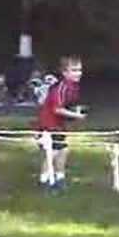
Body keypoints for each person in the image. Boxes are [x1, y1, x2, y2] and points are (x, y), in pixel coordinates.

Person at [37, 56, 86, 191]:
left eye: (79, 70)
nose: (78, 73)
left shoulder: (73, 87)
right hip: (48, 125)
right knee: (50, 153)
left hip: (59, 126)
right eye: (74, 70)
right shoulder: (61, 88)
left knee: (62, 151)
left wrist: (75, 112)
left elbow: (68, 106)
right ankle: (44, 180)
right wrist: (77, 115)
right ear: (65, 73)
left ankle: (60, 178)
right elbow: (57, 109)